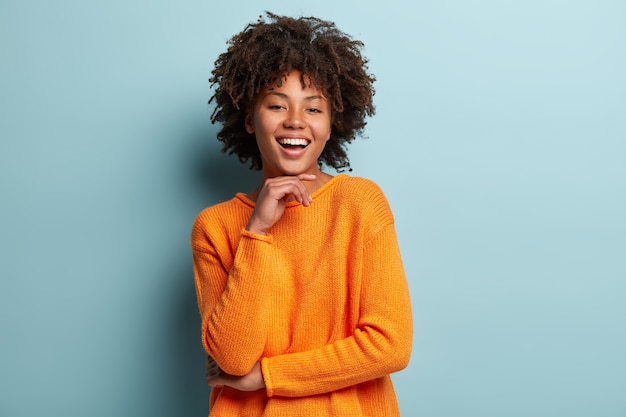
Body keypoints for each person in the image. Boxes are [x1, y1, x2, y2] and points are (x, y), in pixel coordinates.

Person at [191, 12, 413, 416]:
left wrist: (269, 376)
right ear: (248, 117)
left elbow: (390, 344)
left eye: (314, 109)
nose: (295, 121)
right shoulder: (215, 226)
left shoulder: (360, 203)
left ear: (332, 124)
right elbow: (234, 359)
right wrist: (256, 231)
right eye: (277, 104)